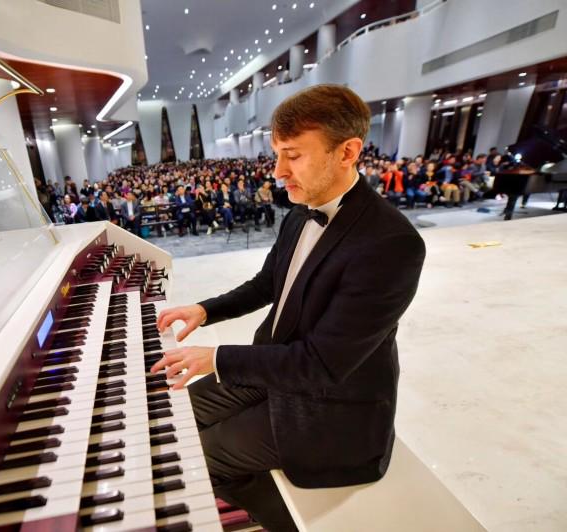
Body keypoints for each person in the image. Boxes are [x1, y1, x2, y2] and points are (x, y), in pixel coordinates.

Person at [150, 84, 426, 531]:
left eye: (293, 155)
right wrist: (204, 309)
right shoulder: (302, 210)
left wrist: (214, 358)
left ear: (347, 152)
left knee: (195, 453)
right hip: (276, 370)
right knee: (170, 417)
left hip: (333, 407)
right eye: (277, 153)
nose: (278, 171)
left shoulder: (390, 244)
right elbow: (267, 283)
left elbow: (322, 366)